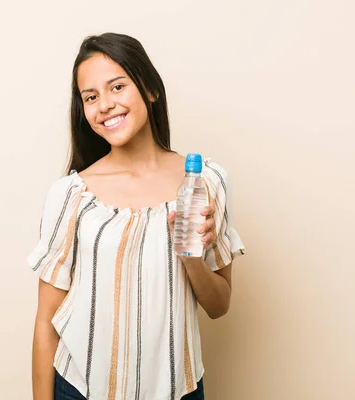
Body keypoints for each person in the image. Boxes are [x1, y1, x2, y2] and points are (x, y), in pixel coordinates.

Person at [28, 32, 245, 400]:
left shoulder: (205, 182)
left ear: (149, 89)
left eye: (117, 87)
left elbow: (219, 306)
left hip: (179, 389)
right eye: (91, 97)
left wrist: (192, 258)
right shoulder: (71, 195)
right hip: (80, 390)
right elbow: (46, 324)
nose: (105, 105)